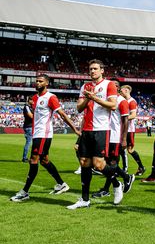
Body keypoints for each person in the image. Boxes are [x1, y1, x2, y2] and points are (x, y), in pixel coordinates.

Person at [67, 59, 129, 209]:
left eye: (95, 68)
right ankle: (84, 199)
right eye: (90, 69)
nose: (92, 71)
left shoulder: (109, 85)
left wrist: (94, 97)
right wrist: (87, 97)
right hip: (86, 130)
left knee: (99, 164)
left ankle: (117, 183)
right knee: (84, 163)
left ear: (102, 70)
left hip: (101, 129)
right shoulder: (85, 87)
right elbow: (79, 108)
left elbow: (113, 105)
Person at [10, 74, 80, 202]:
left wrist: (75, 129)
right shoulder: (35, 98)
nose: (37, 83)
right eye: (36, 81)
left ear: (47, 83)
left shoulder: (51, 97)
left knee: (33, 160)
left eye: (40, 81)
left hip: (44, 134)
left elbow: (62, 114)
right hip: (37, 133)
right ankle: (61, 184)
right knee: (44, 161)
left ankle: (25, 192)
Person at [92, 79, 135, 203]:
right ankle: (126, 177)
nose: (114, 87)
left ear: (119, 88)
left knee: (111, 163)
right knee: (105, 163)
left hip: (115, 137)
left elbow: (126, 120)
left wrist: (124, 139)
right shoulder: (107, 100)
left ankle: (108, 188)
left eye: (116, 85)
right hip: (105, 134)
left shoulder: (122, 101)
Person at [120, 85, 146, 176]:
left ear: (126, 90)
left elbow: (133, 115)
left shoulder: (132, 102)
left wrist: (121, 119)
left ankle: (139, 167)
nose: (120, 92)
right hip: (123, 128)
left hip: (129, 129)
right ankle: (126, 168)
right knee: (121, 149)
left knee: (129, 150)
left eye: (121, 90)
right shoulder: (123, 101)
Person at [21, 97, 34, 162]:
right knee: (28, 143)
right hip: (29, 127)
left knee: (32, 142)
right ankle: (24, 158)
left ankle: (32, 157)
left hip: (30, 126)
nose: (33, 101)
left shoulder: (30, 107)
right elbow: (31, 116)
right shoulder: (27, 107)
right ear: (29, 100)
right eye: (32, 100)